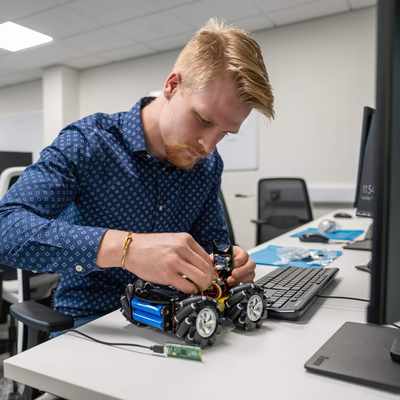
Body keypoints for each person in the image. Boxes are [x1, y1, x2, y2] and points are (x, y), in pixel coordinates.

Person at [0, 19, 274, 327]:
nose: (209, 146)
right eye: (202, 119)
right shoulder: (88, 143)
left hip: (179, 314)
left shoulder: (208, 165)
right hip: (95, 320)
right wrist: (125, 249)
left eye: (225, 132)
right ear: (172, 85)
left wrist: (231, 264)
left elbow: (214, 244)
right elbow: (6, 229)